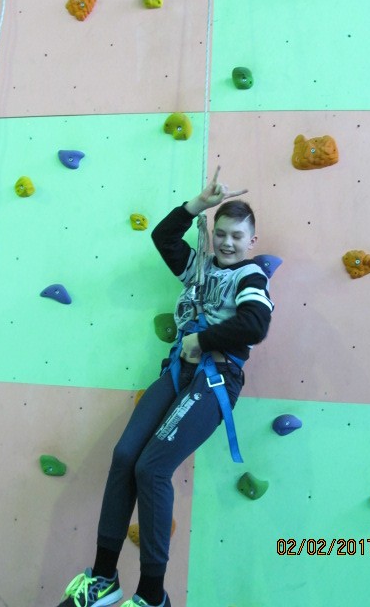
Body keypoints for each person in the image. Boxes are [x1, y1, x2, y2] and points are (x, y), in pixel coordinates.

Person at [56, 177, 274, 607]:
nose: (227, 243)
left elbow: (256, 324)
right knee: (125, 457)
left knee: (152, 469)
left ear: (252, 241)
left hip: (216, 378)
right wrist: (197, 204)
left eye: (237, 236)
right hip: (178, 371)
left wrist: (203, 340)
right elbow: (164, 237)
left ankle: (153, 596)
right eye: (221, 234)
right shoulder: (199, 267)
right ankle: (104, 578)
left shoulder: (250, 275)